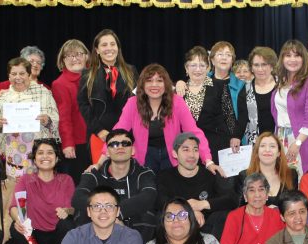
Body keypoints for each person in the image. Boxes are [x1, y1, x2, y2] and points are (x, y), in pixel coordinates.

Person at [104, 64, 223, 175]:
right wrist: (100, 162)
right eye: (149, 81)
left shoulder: (177, 102)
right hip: (144, 156)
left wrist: (208, 161)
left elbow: (194, 131)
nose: (154, 85)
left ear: (166, 84)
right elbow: (117, 132)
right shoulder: (132, 103)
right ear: (142, 85)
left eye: (159, 81)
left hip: (172, 155)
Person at [9, 139, 75, 244]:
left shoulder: (66, 180)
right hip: (35, 241)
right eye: (40, 153)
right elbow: (15, 207)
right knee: (16, 228)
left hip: (57, 239)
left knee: (68, 224)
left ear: (57, 158)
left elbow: (73, 209)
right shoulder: (26, 180)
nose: (45, 157)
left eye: (50, 153)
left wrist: (66, 211)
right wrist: (19, 220)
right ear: (34, 158)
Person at [72, 129, 157, 241]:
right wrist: (108, 215)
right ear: (107, 152)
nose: (120, 147)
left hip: (131, 230)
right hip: (100, 225)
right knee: (82, 213)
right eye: (114, 144)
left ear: (133, 150)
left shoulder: (144, 173)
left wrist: (118, 213)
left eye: (125, 143)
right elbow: (77, 198)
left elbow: (149, 196)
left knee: (148, 215)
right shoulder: (94, 174)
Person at [0, 57, 60, 179]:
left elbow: (55, 119)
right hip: (14, 152)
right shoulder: (4, 97)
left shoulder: (43, 92)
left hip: (40, 151)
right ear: (9, 76)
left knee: (40, 186)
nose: (18, 77)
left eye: (22, 73)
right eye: (13, 74)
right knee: (18, 191)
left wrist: (47, 120)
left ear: (29, 74)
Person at [156, 133, 237, 238]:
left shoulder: (210, 175)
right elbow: (160, 201)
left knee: (224, 215)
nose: (192, 155)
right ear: (174, 153)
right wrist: (189, 210)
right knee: (160, 217)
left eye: (195, 150)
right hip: (177, 226)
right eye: (186, 150)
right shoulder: (164, 177)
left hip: (207, 230)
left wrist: (203, 204)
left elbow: (232, 199)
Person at [78, 30, 137, 173]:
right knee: (101, 178)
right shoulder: (87, 75)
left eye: (112, 44)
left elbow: (138, 103)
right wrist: (99, 131)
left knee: (126, 177)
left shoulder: (131, 71)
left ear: (118, 47)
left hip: (127, 135)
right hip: (100, 135)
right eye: (104, 45)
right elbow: (84, 106)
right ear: (97, 50)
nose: (109, 48)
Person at [272, 40, 308, 176]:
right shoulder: (281, 82)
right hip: (281, 137)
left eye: (297, 56)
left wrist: (298, 142)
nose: (292, 60)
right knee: (285, 179)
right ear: (282, 58)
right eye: (288, 55)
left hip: (301, 140)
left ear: (304, 59)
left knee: (301, 180)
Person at [181, 46, 240, 162]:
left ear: (208, 68)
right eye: (193, 65)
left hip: (216, 146)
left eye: (202, 65)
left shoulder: (219, 86)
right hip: (187, 148)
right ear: (186, 68)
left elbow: (230, 117)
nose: (198, 69)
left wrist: (234, 137)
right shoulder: (179, 91)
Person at [52, 38, 90, 184]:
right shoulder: (60, 84)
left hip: (99, 138)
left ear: (86, 56)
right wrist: (67, 143)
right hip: (79, 142)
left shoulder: (95, 77)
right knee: (82, 184)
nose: (74, 59)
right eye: (69, 55)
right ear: (63, 60)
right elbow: (64, 117)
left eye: (78, 54)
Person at [234, 132, 298, 208]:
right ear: (257, 152)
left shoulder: (291, 174)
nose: (267, 150)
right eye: (263, 146)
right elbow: (239, 211)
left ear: (278, 153)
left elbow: (293, 207)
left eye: (272, 146)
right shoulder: (244, 176)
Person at [0, 45, 51, 117]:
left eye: (39, 62)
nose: (35, 64)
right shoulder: (5, 86)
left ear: (42, 67)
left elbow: (51, 116)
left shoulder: (46, 89)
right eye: (31, 61)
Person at [237, 46, 278, 146]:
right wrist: (236, 137)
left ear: (272, 66)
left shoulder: (282, 85)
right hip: (255, 143)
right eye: (256, 65)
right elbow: (242, 118)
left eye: (264, 64)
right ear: (251, 67)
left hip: (280, 139)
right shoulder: (245, 89)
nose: (260, 69)